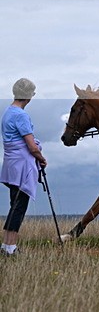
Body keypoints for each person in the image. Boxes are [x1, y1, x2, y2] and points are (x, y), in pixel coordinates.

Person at [1, 78, 47, 257]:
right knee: (19, 206)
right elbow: (32, 146)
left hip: (11, 164)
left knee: (15, 204)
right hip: (22, 166)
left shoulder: (7, 113)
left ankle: (6, 245)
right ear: (28, 96)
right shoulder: (20, 115)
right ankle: (10, 248)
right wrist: (41, 158)